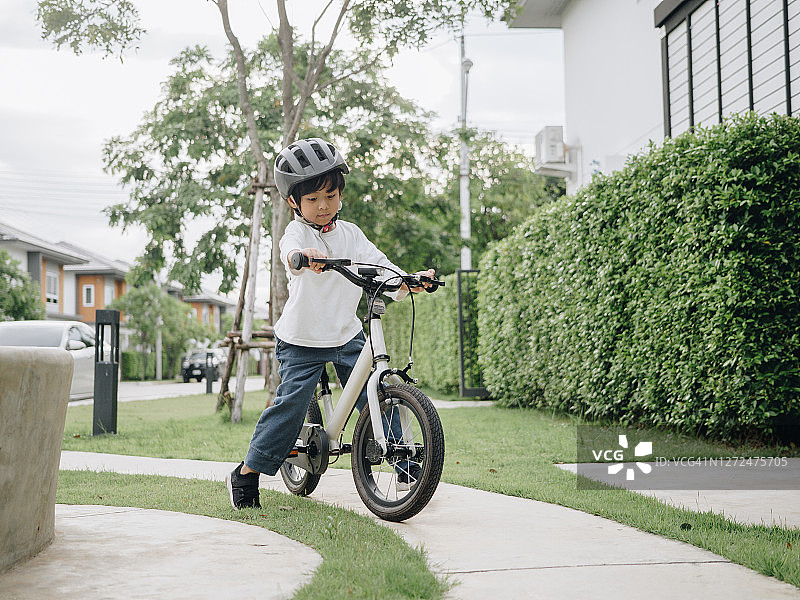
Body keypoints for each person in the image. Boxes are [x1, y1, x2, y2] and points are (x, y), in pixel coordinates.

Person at [226, 137, 434, 509]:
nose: (323, 206)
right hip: (302, 339)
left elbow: (381, 266)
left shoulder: (351, 234)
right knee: (290, 409)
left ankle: (405, 465)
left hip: (346, 334)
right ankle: (246, 473)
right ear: (294, 202)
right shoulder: (298, 233)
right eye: (312, 199)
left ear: (340, 194)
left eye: (331, 195)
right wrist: (302, 257)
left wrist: (409, 280)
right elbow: (289, 252)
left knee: (379, 394)